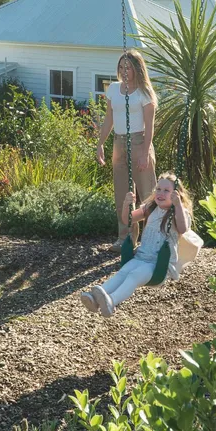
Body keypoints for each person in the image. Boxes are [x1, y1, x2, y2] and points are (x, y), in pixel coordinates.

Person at [80, 173, 191, 318]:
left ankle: (111, 301)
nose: (160, 193)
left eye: (166, 190)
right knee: (123, 272)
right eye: (158, 189)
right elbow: (128, 220)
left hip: (159, 264)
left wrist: (178, 206)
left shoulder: (179, 212)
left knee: (133, 276)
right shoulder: (150, 208)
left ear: (177, 194)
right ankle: (95, 298)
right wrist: (126, 204)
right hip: (141, 257)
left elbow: (182, 229)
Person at [96, 49, 157, 251]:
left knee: (147, 193)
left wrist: (145, 151)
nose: (124, 70)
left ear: (137, 69)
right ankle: (126, 238)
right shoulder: (113, 89)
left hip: (140, 141)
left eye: (128, 67)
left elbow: (150, 126)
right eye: (121, 66)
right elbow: (109, 119)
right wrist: (101, 143)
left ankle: (150, 241)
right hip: (119, 143)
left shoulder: (145, 93)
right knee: (122, 193)